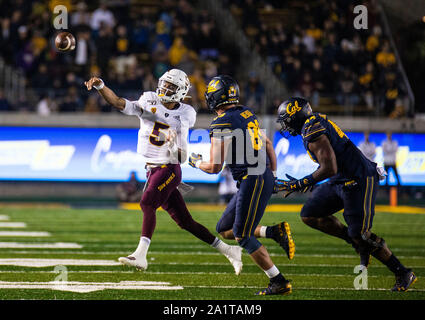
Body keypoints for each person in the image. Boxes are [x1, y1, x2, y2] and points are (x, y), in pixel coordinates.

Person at [84, 69, 243, 274]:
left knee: (146, 203)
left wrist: (173, 144)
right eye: (165, 84)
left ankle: (140, 255)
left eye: (171, 86)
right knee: (186, 222)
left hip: (169, 167)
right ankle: (230, 250)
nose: (165, 88)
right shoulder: (148, 100)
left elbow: (183, 156)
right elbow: (118, 102)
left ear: (181, 91)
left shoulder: (185, 113)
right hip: (152, 169)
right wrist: (100, 86)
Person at [275, 97, 416, 292]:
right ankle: (356, 243)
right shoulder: (312, 123)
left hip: (359, 179)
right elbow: (332, 166)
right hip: (341, 179)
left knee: (361, 234)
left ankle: (402, 272)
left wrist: (301, 182)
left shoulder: (312, 129)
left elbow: (329, 167)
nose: (285, 125)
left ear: (296, 116)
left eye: (286, 119)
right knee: (310, 214)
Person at [189, 75, 295, 295]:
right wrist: (272, 175)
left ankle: (278, 281)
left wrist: (194, 161)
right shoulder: (247, 113)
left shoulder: (221, 122)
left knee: (242, 235)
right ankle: (273, 232)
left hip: (252, 178)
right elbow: (267, 144)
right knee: (224, 229)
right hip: (259, 175)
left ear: (215, 97)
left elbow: (214, 167)